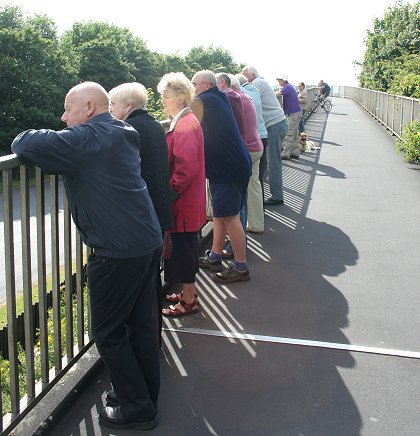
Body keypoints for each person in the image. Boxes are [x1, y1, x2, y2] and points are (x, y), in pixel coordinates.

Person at [11, 82, 162, 431]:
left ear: (90, 107)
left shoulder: (85, 141)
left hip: (116, 251)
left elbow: (24, 142)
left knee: (107, 332)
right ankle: (140, 396)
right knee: (140, 326)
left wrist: (44, 130)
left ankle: (139, 409)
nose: (64, 118)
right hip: (145, 240)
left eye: (68, 109)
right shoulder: (123, 130)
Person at [108, 82, 172, 346]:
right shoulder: (154, 126)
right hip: (158, 212)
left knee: (141, 286)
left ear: (128, 107)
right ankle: (153, 335)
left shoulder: (130, 129)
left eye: (112, 105)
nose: (109, 110)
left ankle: (144, 342)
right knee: (152, 281)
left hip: (145, 218)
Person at [191, 70, 252, 283]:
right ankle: (215, 256)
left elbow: (184, 113)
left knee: (230, 217)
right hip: (231, 166)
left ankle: (241, 267)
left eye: (195, 84)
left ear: (207, 85)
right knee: (220, 214)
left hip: (227, 169)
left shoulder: (205, 99)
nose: (193, 87)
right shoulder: (218, 97)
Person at [156, 72, 206, 316]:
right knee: (186, 250)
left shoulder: (184, 126)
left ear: (180, 98)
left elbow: (186, 169)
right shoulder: (187, 120)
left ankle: (189, 301)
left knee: (184, 252)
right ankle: (190, 293)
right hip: (189, 202)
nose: (162, 101)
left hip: (183, 204)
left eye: (165, 96)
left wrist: (170, 193)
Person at [242, 66, 288, 206]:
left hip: (273, 125)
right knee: (268, 162)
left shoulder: (257, 84)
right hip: (277, 123)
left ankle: (277, 196)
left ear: (252, 75)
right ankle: (271, 193)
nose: (244, 80)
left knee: (273, 162)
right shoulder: (261, 83)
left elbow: (248, 100)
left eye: (245, 76)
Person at [229, 74, 264, 234]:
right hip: (256, 145)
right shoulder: (247, 96)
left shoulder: (236, 100)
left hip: (248, 149)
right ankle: (256, 224)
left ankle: (238, 231)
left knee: (239, 191)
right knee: (254, 186)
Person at [236, 73, 268, 210]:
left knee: (244, 183)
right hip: (261, 137)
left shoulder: (239, 95)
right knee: (256, 180)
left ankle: (245, 216)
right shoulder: (253, 91)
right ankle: (258, 217)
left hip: (250, 142)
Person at [276, 74, 302, 159]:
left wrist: (267, 93)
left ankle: (285, 154)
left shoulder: (287, 88)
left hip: (293, 114)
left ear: (283, 80)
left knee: (288, 133)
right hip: (296, 112)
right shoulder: (289, 87)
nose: (278, 82)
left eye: (279, 80)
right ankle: (295, 152)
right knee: (294, 134)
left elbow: (278, 94)